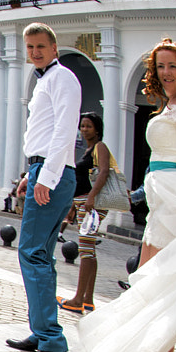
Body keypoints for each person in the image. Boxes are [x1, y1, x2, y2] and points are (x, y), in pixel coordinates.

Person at [51, 38, 176, 352]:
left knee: (158, 290)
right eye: (159, 66)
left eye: (172, 66)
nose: (165, 72)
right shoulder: (170, 107)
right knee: (152, 288)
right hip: (163, 203)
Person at [6, 23, 81, 352]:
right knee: (43, 256)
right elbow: (43, 133)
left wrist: (46, 177)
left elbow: (65, 130)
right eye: (30, 47)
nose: (35, 52)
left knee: (31, 252)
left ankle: (51, 337)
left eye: (40, 46)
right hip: (42, 170)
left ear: (54, 48)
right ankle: (42, 331)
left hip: (53, 172)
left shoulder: (62, 77)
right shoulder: (45, 80)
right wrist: (29, 176)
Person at [60, 112, 113, 314]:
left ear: (97, 129)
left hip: (91, 204)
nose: (84, 129)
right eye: (82, 126)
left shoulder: (100, 147)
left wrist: (91, 196)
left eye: (88, 126)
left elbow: (105, 171)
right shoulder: (88, 150)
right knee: (89, 250)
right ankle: (88, 299)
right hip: (83, 202)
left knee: (85, 251)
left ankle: (78, 299)